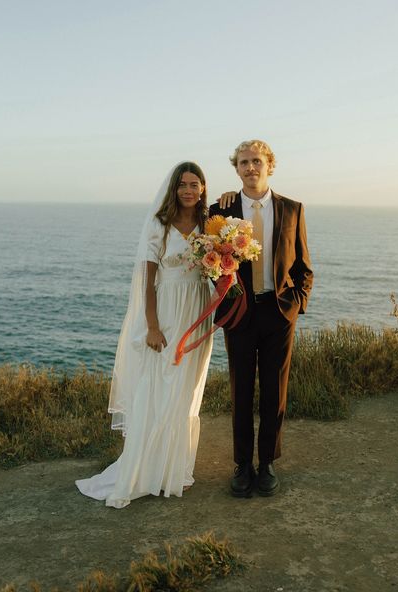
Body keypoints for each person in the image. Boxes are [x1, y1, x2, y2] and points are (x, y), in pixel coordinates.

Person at [76, 162, 212, 508]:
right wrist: (151, 326)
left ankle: (172, 468)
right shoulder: (159, 225)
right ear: (173, 189)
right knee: (158, 386)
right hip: (165, 313)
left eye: (194, 184)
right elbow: (147, 281)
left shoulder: (209, 225)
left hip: (197, 313)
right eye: (182, 184)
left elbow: (215, 271)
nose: (188, 190)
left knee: (185, 390)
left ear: (202, 188)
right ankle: (145, 469)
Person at [209, 140, 313, 497]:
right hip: (238, 311)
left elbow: (303, 266)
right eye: (243, 162)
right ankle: (242, 465)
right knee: (240, 391)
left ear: (270, 165)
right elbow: (208, 263)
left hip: (278, 312)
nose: (250, 168)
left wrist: (297, 304)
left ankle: (266, 462)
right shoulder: (220, 211)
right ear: (236, 168)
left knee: (274, 391)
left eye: (257, 161)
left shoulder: (293, 209)